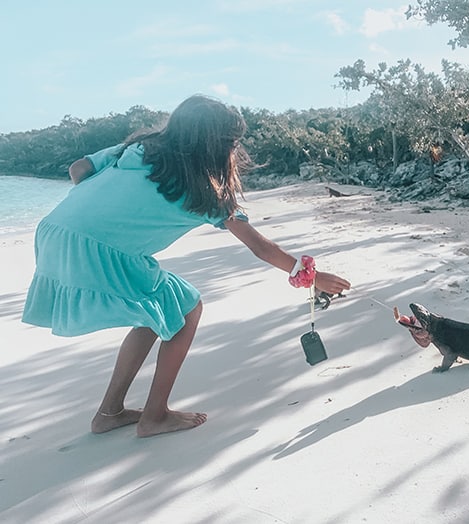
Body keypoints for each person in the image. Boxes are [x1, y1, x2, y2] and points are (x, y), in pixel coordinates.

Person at [22, 94, 351, 437]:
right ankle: (155, 416)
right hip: (98, 251)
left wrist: (107, 211)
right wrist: (311, 277)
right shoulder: (204, 193)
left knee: (156, 310)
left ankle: (109, 413)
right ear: (218, 146)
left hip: (53, 232)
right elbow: (259, 246)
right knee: (187, 308)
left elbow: (79, 170)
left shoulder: (137, 149)